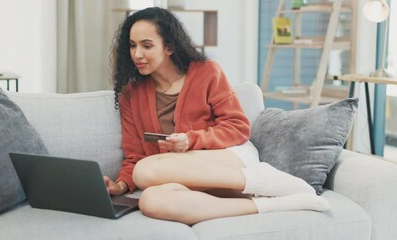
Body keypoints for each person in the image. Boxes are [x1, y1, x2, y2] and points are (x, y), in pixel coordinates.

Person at [104, 7, 329, 225]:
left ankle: (264, 181)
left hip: (228, 156)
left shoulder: (206, 72)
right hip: (183, 175)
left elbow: (238, 127)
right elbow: (134, 157)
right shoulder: (131, 95)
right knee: (151, 201)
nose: (137, 54)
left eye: (147, 46)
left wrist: (191, 140)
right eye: (132, 46)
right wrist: (120, 186)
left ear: (169, 47)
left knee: (146, 169)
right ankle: (276, 204)